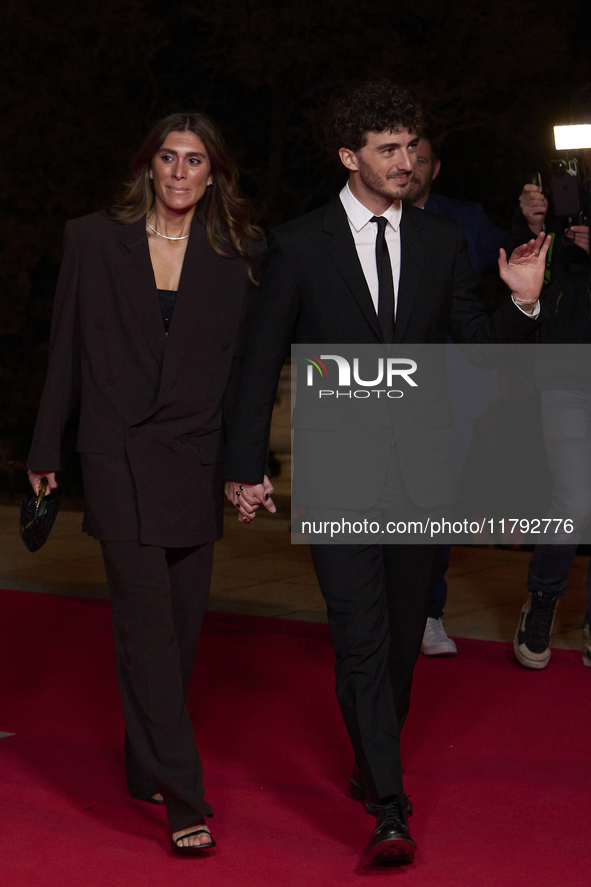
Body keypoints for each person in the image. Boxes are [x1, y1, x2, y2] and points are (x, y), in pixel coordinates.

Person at [223, 81, 549, 864]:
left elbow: (476, 348)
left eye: (411, 147)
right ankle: (391, 808)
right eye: (387, 150)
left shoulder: (440, 243)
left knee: (401, 640)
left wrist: (522, 307)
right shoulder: (299, 243)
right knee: (361, 639)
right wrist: (244, 465)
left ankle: (372, 762)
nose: (406, 163)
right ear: (349, 157)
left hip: (424, 477)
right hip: (339, 473)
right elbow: (258, 356)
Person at [27, 112, 264, 853]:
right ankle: (183, 798)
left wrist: (240, 466)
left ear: (214, 173)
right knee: (147, 631)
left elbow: (243, 377)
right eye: (168, 158)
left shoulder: (240, 254)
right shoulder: (93, 239)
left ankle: (143, 760)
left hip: (191, 461)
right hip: (117, 457)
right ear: (148, 167)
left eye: (195, 160)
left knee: (180, 635)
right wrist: (43, 448)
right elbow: (64, 349)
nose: (180, 173)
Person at [407, 136, 513, 656]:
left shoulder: (465, 219)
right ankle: (382, 612)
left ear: (436, 166)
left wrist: (537, 225)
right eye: (401, 154)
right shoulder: (364, 218)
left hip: (453, 381)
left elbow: (513, 251)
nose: (411, 165)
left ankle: (429, 613)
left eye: (421, 157)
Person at [512, 177, 591, 669]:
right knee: (574, 501)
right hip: (567, 374)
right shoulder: (568, 192)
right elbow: (522, 283)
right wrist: (535, 226)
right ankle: (541, 601)